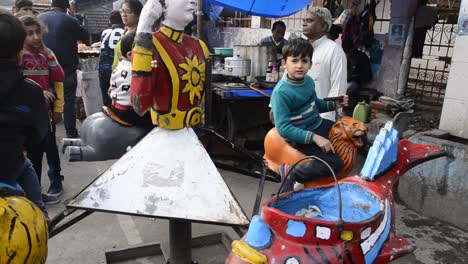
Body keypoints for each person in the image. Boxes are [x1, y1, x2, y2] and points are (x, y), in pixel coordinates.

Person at [270, 38, 348, 191]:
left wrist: (334, 104)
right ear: (284, 63)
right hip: (299, 136)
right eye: (295, 61)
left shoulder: (309, 82)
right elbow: (284, 129)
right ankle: (290, 171)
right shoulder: (281, 93)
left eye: (304, 61)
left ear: (310, 64)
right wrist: (315, 138)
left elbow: (315, 105)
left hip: (317, 124)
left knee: (348, 133)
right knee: (336, 164)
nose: (300, 66)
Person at [0, 11, 50, 214]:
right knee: (38, 215)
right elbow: (37, 134)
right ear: (20, 50)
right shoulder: (30, 91)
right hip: (13, 165)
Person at [131, 0, 209, 130]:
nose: (193, 2)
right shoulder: (149, 45)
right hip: (166, 132)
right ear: (162, 5)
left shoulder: (199, 46)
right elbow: (140, 105)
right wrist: (144, 28)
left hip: (195, 131)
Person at [19, 15, 65, 201]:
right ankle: (30, 195)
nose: (36, 37)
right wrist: (38, 92)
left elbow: (59, 75)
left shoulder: (45, 54)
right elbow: (17, 82)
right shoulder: (20, 55)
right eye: (30, 34)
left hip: (43, 115)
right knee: (30, 157)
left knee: (41, 155)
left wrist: (47, 52)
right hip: (26, 116)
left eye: (38, 32)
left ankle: (36, 193)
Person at [38, 0, 88, 138]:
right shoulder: (69, 19)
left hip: (43, 69)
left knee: (44, 100)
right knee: (68, 100)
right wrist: (73, 16)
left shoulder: (39, 18)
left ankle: (44, 134)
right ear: (66, 8)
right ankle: (71, 132)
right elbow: (85, 37)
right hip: (66, 69)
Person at [303, 6, 347, 121]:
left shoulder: (334, 50)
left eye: (310, 21)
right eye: (304, 20)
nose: (304, 24)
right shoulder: (300, 48)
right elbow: (287, 78)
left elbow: (338, 88)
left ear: (323, 26)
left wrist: (326, 119)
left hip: (321, 118)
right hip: (296, 117)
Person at [108, 32, 152, 126]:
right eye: (143, 53)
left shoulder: (120, 65)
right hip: (128, 113)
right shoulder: (135, 71)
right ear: (130, 55)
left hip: (115, 106)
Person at [99, 10, 125, 106]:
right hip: (115, 68)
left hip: (102, 68)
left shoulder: (104, 32)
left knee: (105, 97)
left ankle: (107, 115)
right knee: (117, 97)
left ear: (110, 21)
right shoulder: (124, 32)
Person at [112, 0, 143, 70]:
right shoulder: (124, 33)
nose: (123, 14)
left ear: (138, 15)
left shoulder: (138, 36)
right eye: (122, 11)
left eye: (128, 11)